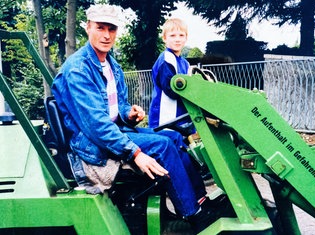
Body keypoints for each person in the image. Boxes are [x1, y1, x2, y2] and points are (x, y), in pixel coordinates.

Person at [51, 4, 228, 233]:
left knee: (173, 137)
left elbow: (118, 106)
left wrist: (129, 113)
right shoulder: (78, 70)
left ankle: (200, 201)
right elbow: (96, 125)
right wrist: (135, 154)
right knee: (163, 145)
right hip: (91, 146)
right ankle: (192, 214)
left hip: (114, 132)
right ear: (88, 28)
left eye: (111, 29)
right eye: (100, 28)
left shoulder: (110, 63)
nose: (106, 35)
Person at [149, 18, 191, 129]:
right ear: (164, 38)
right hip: (166, 118)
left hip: (181, 117)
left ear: (186, 38)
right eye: (172, 36)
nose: (177, 39)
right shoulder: (166, 59)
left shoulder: (185, 63)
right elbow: (171, 90)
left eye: (181, 35)